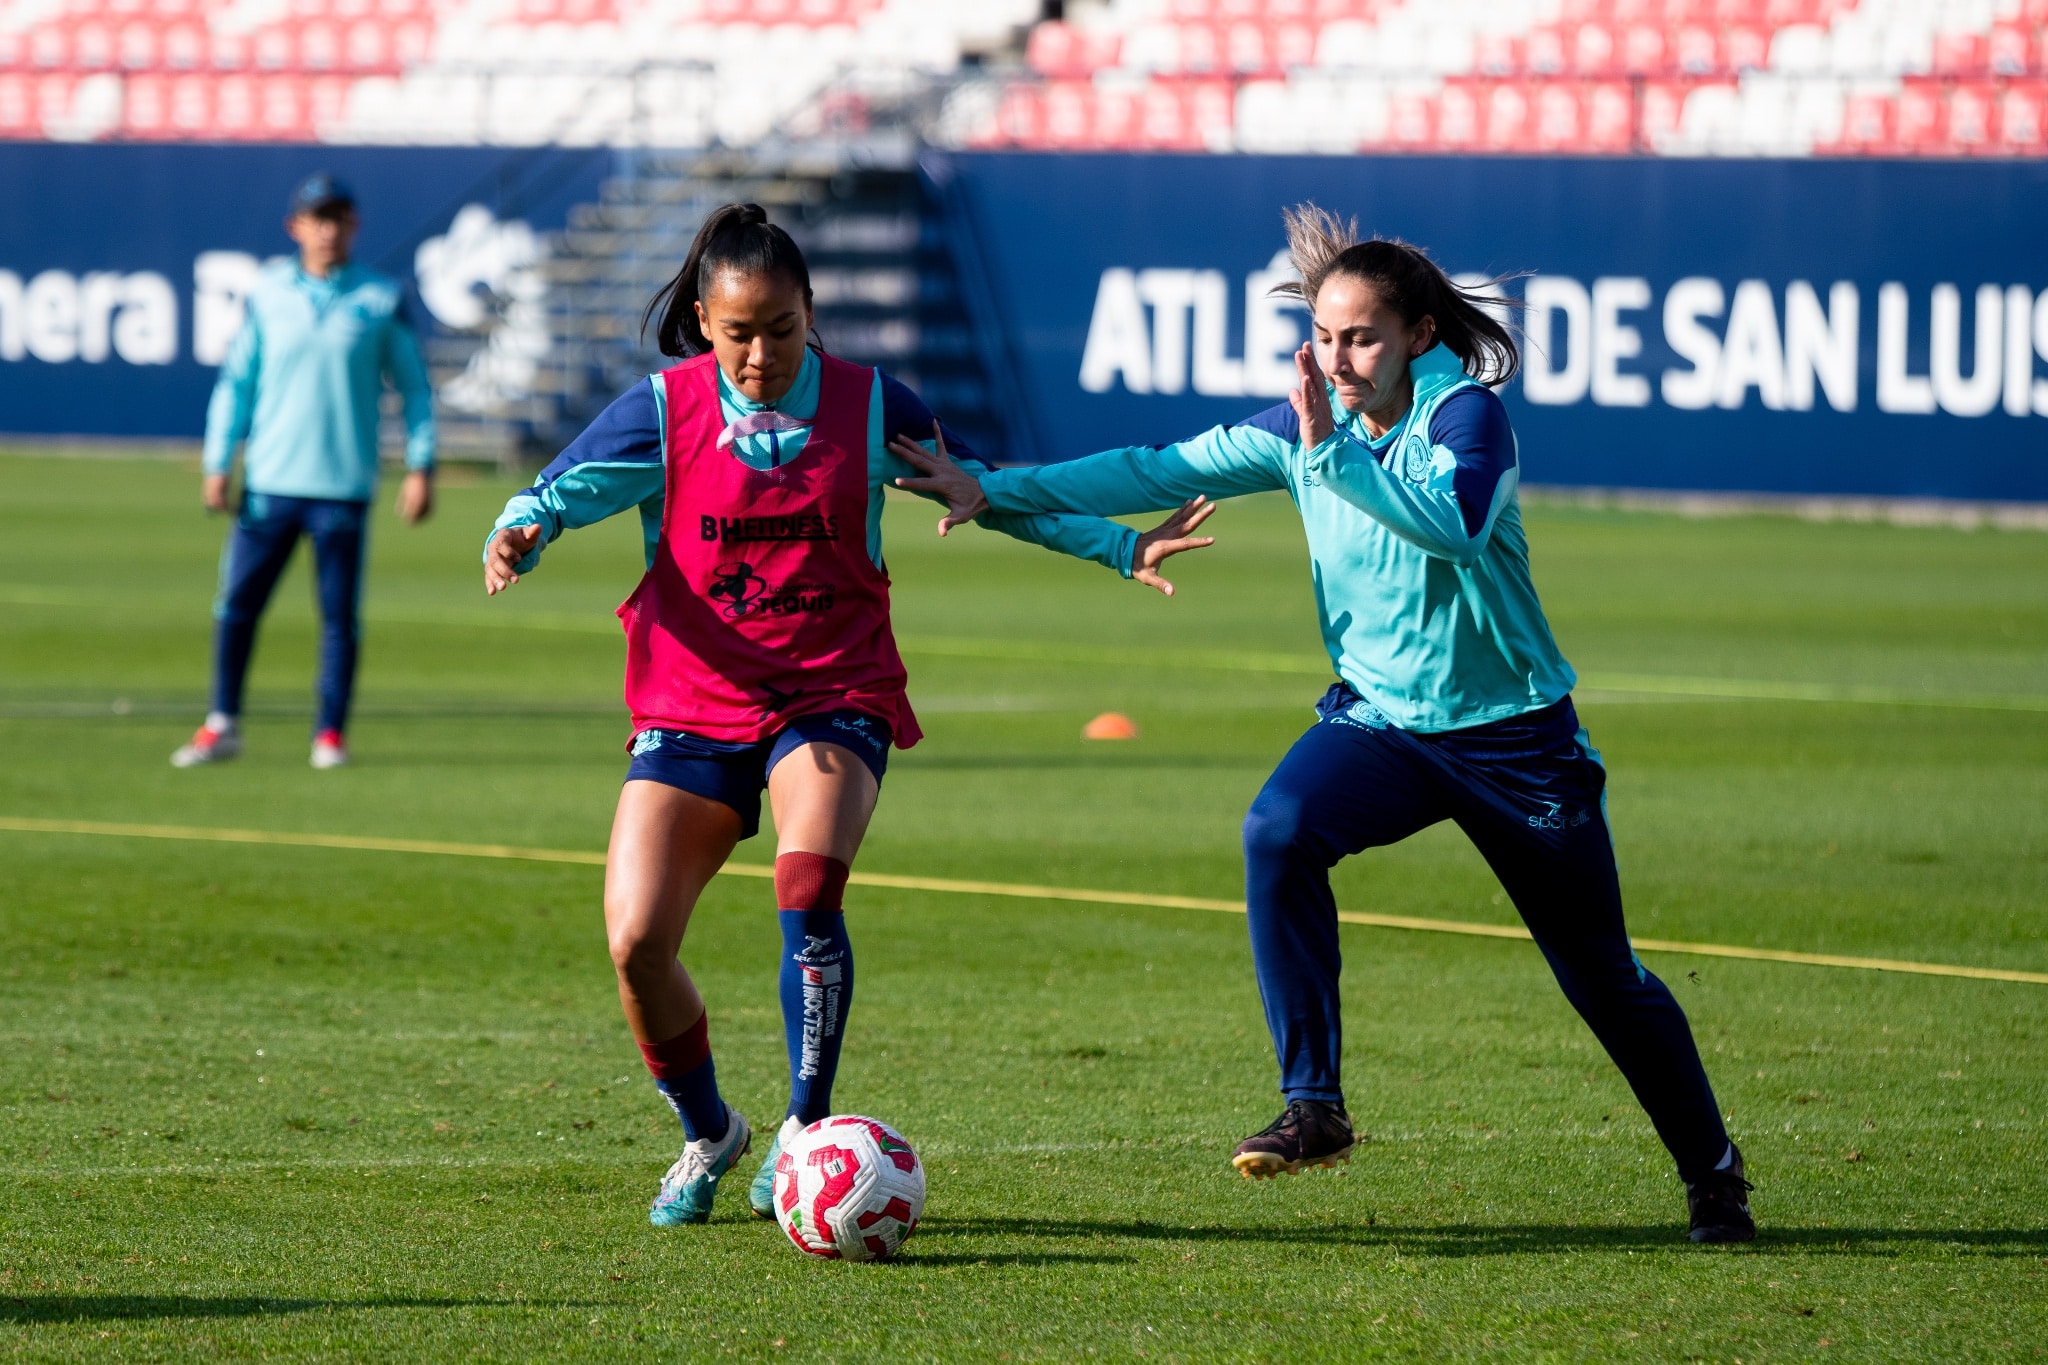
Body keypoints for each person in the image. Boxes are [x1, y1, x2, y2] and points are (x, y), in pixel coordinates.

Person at [891, 204, 1755, 1244]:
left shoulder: (1464, 417)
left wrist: (1324, 449)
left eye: (1359, 338)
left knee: (1599, 979)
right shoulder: (1304, 423)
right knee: (1277, 830)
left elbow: (1453, 525)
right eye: (1322, 336)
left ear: (1417, 338)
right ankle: (1315, 1105)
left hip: (1513, 738)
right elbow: (1151, 469)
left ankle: (1709, 1169)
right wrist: (990, 487)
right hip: (1382, 726)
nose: (1335, 360)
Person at [480, 204, 1214, 1227]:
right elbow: (553, 493)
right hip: (692, 704)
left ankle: (802, 1132)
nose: (760, 352)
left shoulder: (872, 406)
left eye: (780, 328)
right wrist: (516, 533)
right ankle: (709, 1132)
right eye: (737, 331)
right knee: (637, 939)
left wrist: (1116, 545)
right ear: (702, 319)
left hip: (832, 689)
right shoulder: (661, 408)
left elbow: (983, 490)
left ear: (808, 314)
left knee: (807, 878)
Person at [172, 173, 437, 771]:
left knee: (338, 616)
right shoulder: (267, 293)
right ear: (295, 226)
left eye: (339, 217)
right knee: (237, 604)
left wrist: (421, 466)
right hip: (269, 480)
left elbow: (415, 390)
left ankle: (329, 734)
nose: (329, 229)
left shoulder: (379, 296)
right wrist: (219, 460)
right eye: (318, 218)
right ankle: (222, 723)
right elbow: (236, 383)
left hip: (341, 486)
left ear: (355, 225)